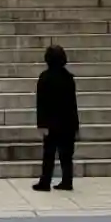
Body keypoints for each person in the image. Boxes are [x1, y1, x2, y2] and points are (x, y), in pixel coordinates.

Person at [33, 45, 79, 191]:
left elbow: (41, 103)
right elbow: (73, 103)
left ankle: (45, 182)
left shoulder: (45, 78)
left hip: (51, 123)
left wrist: (41, 124)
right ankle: (67, 181)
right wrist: (76, 125)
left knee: (49, 154)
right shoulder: (68, 78)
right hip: (68, 122)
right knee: (67, 155)